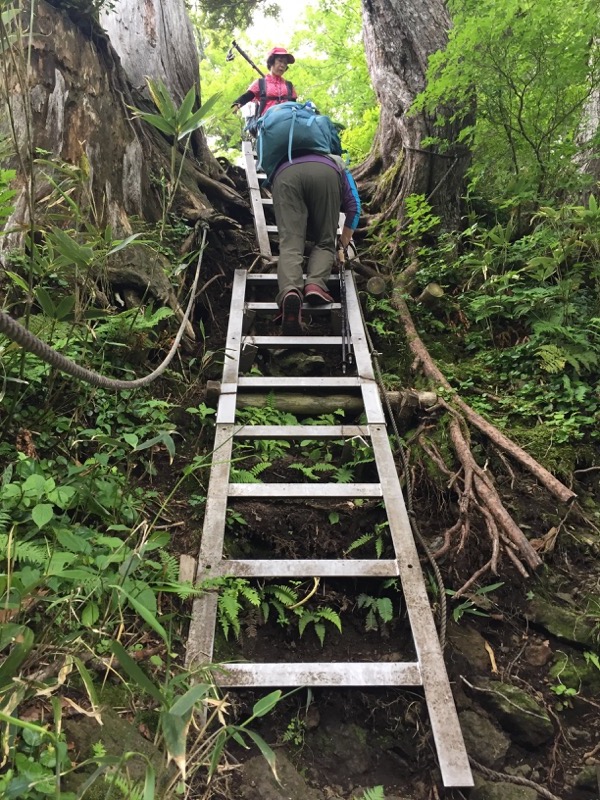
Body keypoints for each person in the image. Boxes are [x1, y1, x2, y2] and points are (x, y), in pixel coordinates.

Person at [272, 153, 361, 336]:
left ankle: (290, 292)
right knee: (325, 242)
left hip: (285, 174)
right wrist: (342, 246)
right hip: (326, 174)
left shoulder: (284, 153)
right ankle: (315, 285)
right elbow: (354, 206)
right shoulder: (336, 161)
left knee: (290, 244)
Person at [231, 47, 297, 118]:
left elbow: (294, 105)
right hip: (267, 123)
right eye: (280, 61)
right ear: (271, 62)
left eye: (285, 63)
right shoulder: (261, 83)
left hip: (287, 123)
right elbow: (246, 97)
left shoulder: (289, 86)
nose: (283, 65)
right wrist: (235, 106)